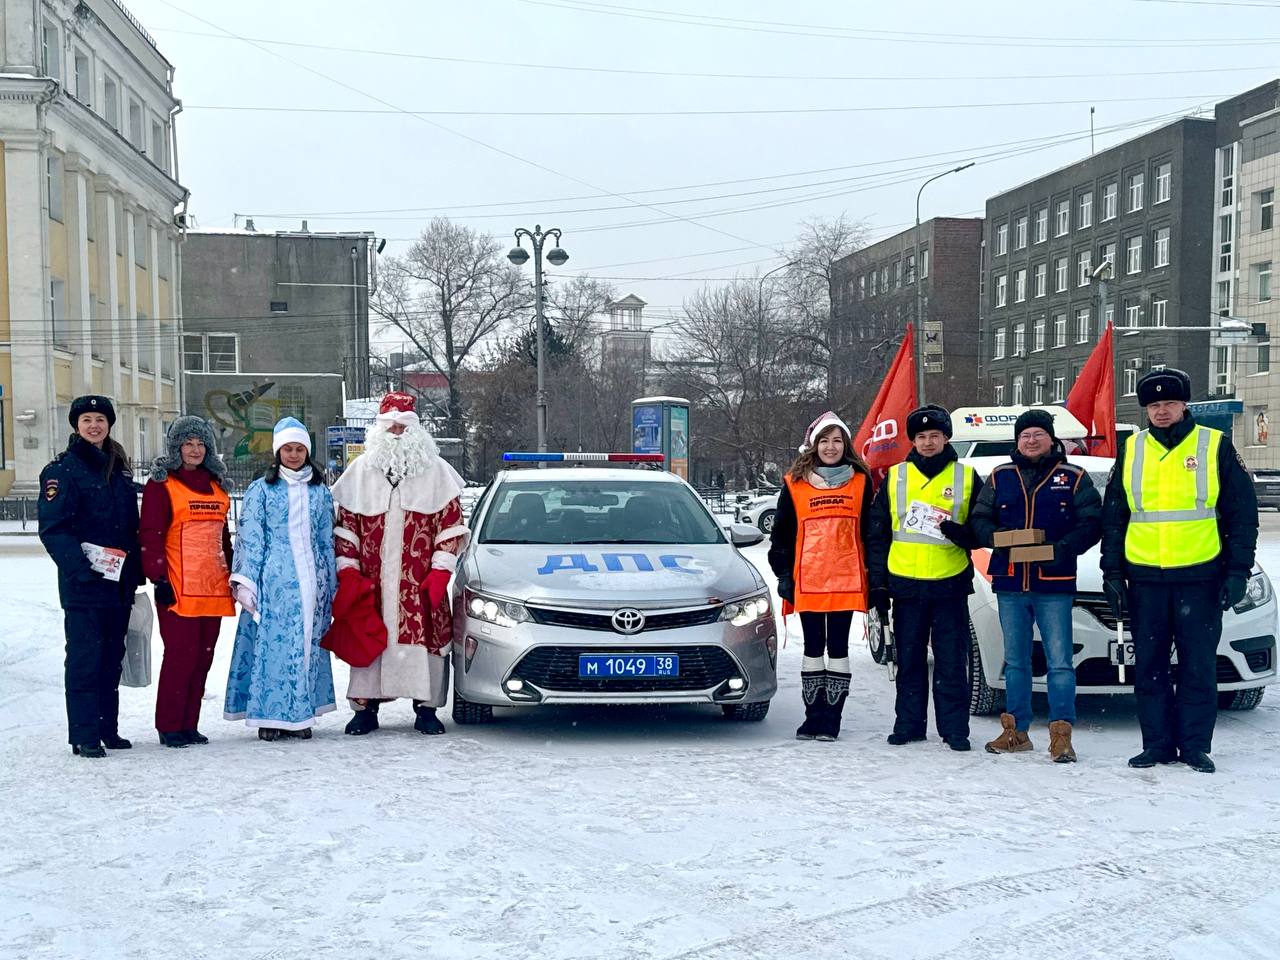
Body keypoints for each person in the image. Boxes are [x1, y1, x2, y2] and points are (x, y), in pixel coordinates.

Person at [1101, 368, 1257, 774]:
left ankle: (1193, 746)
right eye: (1154, 405)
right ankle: (1155, 744)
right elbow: (1114, 517)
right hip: (1146, 578)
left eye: (1169, 403)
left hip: (1200, 576)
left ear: (1185, 405)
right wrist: (1113, 573)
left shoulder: (1214, 445)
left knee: (1197, 665)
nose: (1162, 410)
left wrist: (1237, 570)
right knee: (1149, 666)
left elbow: (1243, 515)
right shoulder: (1132, 449)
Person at [330, 393, 469, 736]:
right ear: (378, 428)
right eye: (390, 424)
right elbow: (346, 527)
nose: (396, 430)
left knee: (428, 643)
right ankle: (365, 708)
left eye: (403, 425)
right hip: (371, 584)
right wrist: (347, 570)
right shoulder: (359, 471)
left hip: (419, 582)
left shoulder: (436, 471)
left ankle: (426, 709)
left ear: (416, 429)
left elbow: (449, 526)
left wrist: (440, 571)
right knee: (368, 639)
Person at [969, 409, 1102, 762]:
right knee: (1016, 662)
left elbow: (1091, 523)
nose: (1030, 441)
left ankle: (1061, 735)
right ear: (1017, 440)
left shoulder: (1072, 477)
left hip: (1053, 584)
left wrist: (1062, 549)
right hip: (1010, 582)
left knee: (1059, 662)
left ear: (1051, 438)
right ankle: (1016, 731)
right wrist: (996, 537)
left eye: (1037, 435)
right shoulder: (1000, 477)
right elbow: (979, 519)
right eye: (1025, 435)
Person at [865, 404, 983, 752]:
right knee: (909, 660)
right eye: (921, 437)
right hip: (905, 583)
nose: (928, 442)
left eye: (934, 436)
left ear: (946, 438)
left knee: (950, 661)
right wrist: (878, 584)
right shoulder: (895, 477)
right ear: (912, 441)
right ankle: (909, 724)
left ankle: (954, 729)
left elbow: (982, 529)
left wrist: (962, 533)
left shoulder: (967, 476)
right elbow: (877, 534)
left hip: (949, 582)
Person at [38, 396, 143, 758]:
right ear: (76, 425)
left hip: (118, 583)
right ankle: (84, 735)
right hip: (83, 584)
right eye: (87, 419)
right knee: (85, 658)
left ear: (109, 424)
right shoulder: (63, 470)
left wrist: (136, 570)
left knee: (112, 656)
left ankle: (106, 729)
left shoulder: (120, 467)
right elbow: (54, 528)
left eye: (100, 418)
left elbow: (130, 527)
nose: (94, 425)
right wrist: (80, 571)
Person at [224, 418, 338, 741]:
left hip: (311, 582)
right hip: (274, 581)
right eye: (287, 448)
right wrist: (246, 581)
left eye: (299, 448)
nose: (293, 454)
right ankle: (270, 716)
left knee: (305, 647)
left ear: (307, 451)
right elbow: (251, 536)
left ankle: (301, 715)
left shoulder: (319, 492)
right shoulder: (261, 490)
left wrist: (331, 582)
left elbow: (325, 538)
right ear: (277, 452)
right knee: (273, 649)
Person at [767, 411, 874, 742]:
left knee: (839, 648)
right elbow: (782, 535)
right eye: (824, 441)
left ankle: (832, 720)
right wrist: (784, 574)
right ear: (814, 446)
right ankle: (812, 717)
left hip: (846, 580)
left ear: (846, 445)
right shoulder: (795, 483)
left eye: (837, 440)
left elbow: (871, 532)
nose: (831, 447)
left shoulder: (860, 481)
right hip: (808, 580)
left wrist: (878, 576)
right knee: (813, 648)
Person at [140, 416, 236, 748]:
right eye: (188, 443)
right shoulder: (162, 484)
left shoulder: (216, 484)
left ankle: (189, 724)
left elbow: (223, 538)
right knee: (181, 656)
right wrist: (157, 577)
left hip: (213, 586)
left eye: (200, 443)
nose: (195, 450)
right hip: (178, 587)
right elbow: (150, 534)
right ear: (176, 447)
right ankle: (169, 725)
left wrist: (234, 574)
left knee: (202, 658)